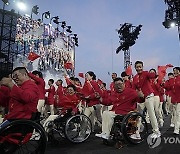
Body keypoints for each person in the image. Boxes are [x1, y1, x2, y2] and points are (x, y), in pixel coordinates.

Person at [133, 61, 161, 138]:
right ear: (135, 68)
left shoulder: (145, 73)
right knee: (138, 116)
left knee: (151, 114)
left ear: (142, 67)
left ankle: (156, 131)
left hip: (149, 96)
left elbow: (153, 75)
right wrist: (137, 93)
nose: (139, 68)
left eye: (140, 66)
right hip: (141, 99)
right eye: (137, 67)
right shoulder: (135, 77)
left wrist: (156, 76)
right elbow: (134, 88)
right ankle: (137, 131)